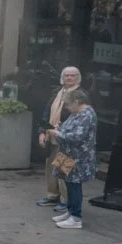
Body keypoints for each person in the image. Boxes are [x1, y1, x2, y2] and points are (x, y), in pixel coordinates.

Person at [40, 87, 96, 230]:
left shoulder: (87, 115)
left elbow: (77, 137)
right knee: (68, 182)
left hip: (78, 157)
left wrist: (57, 134)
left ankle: (76, 217)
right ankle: (70, 212)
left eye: (68, 105)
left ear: (77, 102)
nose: (66, 108)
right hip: (67, 154)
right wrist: (58, 128)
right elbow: (67, 127)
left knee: (74, 185)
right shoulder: (76, 113)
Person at [36, 66, 83, 209]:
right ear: (62, 77)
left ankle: (66, 200)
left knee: (64, 168)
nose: (69, 78)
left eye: (73, 75)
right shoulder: (57, 92)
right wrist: (42, 131)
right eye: (67, 75)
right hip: (52, 134)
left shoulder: (80, 95)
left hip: (66, 137)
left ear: (78, 78)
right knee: (51, 166)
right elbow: (46, 112)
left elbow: (79, 118)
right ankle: (52, 196)